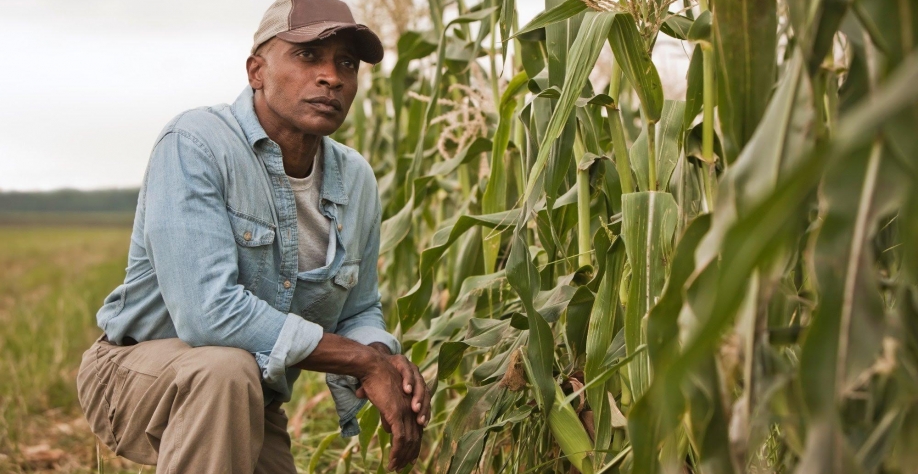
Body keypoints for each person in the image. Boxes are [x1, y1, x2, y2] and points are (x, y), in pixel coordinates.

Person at [75, 0, 431, 472]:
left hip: (252, 399)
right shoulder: (196, 142)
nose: (332, 77)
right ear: (256, 71)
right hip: (134, 377)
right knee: (225, 367)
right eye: (308, 56)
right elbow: (209, 315)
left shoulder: (357, 178)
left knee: (234, 377)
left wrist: (384, 357)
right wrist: (363, 362)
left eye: (346, 63)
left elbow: (360, 307)